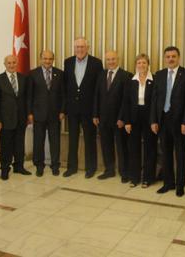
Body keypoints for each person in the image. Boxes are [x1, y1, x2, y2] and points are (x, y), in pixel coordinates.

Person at [151, 46, 185, 197]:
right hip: (163, 120)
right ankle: (168, 183)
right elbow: (155, 100)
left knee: (181, 154)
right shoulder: (159, 74)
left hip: (180, 122)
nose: (170, 59)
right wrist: (154, 121)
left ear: (178, 58)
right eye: (168, 56)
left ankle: (180, 185)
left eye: (173, 56)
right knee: (166, 154)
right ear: (165, 58)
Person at [63, 37, 103, 178]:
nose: (79, 49)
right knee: (73, 139)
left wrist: (96, 111)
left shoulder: (96, 63)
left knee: (90, 139)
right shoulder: (67, 62)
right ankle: (71, 167)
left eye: (82, 47)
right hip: (73, 109)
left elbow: (99, 89)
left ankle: (90, 168)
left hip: (89, 110)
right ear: (74, 48)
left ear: (88, 47)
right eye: (77, 47)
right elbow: (65, 87)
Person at [93, 51, 132, 182]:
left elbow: (126, 100)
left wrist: (122, 118)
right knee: (106, 145)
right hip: (103, 118)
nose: (111, 62)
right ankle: (109, 170)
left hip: (118, 120)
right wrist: (95, 114)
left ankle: (124, 172)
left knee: (122, 146)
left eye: (113, 59)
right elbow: (96, 96)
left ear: (118, 59)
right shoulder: (101, 75)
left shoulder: (126, 76)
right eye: (108, 59)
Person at [0, 55, 31, 180]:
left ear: (17, 63)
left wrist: (28, 115)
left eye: (14, 62)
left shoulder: (23, 78)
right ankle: (4, 168)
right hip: (5, 119)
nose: (12, 65)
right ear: (5, 64)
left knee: (19, 144)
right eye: (9, 63)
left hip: (21, 118)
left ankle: (19, 166)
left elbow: (27, 99)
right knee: (6, 146)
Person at [27, 50, 65, 177]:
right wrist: (30, 113)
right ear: (40, 59)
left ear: (53, 59)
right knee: (38, 141)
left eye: (50, 59)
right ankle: (39, 165)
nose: (47, 61)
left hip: (55, 114)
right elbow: (29, 95)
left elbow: (63, 95)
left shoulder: (60, 74)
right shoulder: (33, 74)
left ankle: (55, 165)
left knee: (55, 141)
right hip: (38, 113)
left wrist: (62, 111)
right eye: (45, 58)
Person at [122, 54, 157, 188]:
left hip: (149, 118)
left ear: (148, 64)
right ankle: (134, 178)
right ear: (135, 65)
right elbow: (126, 102)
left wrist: (155, 120)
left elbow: (156, 102)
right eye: (139, 63)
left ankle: (148, 178)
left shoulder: (154, 80)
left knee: (150, 148)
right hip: (134, 118)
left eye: (144, 63)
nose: (141, 65)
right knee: (134, 148)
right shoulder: (131, 81)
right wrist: (127, 122)